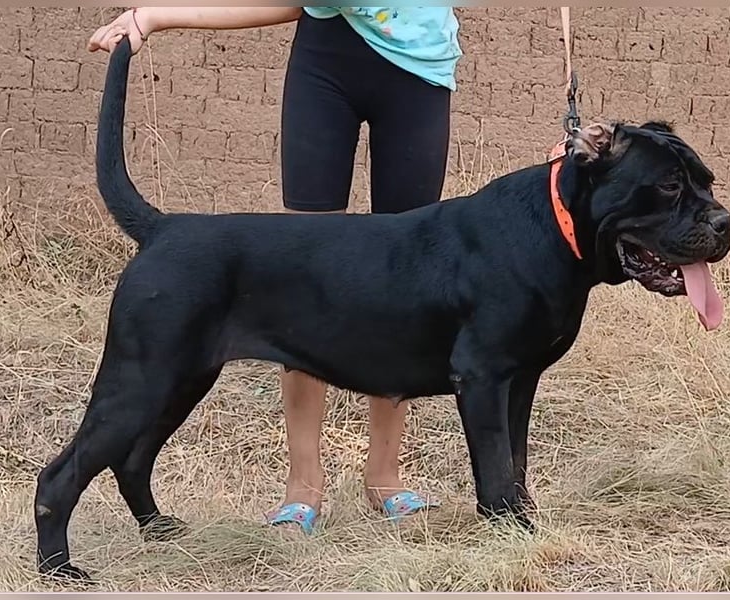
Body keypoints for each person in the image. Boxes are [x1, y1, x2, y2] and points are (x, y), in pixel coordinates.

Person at [88, 6, 463, 534]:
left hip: (419, 68)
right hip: (326, 61)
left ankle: (385, 477)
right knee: (302, 283)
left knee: (401, 280)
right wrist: (153, 16)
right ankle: (302, 484)